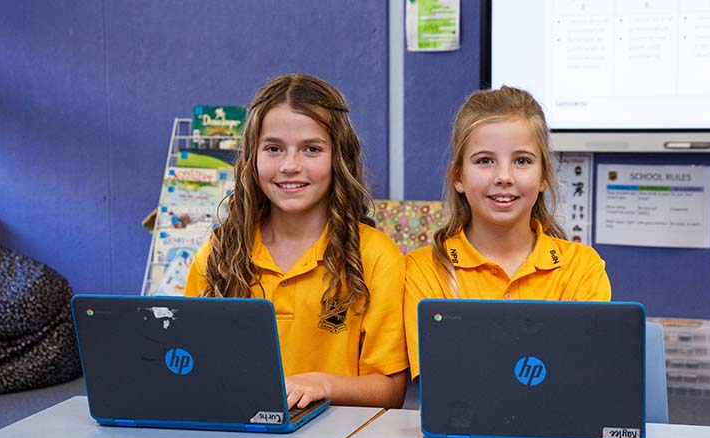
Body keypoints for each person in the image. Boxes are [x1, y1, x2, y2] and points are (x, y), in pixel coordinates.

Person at [185, 74, 408, 408]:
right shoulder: (219, 254)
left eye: (311, 149)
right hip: (238, 436)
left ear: (339, 157)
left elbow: (390, 391)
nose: (290, 166)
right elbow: (190, 366)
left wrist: (323, 384)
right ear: (251, 157)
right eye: (273, 149)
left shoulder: (376, 256)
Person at [404, 86, 611, 381]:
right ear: (458, 176)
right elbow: (442, 383)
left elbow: (585, 376)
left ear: (543, 176)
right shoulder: (425, 271)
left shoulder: (582, 268)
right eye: (485, 160)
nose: (504, 177)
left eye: (522, 161)